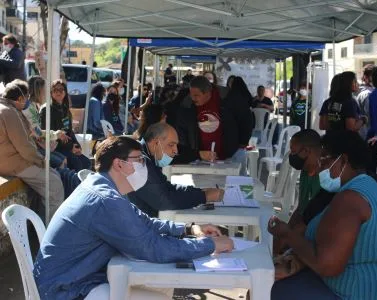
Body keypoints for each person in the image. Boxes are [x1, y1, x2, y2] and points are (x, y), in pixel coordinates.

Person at [33, 136, 234, 300]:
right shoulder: (105, 199)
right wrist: (210, 245)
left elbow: (143, 221)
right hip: (66, 291)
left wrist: (188, 229)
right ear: (119, 165)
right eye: (139, 160)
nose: (144, 165)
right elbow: (152, 248)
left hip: (71, 280)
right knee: (159, 295)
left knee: (157, 289)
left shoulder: (101, 187)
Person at [270, 130, 377, 300]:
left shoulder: (350, 199)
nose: (320, 167)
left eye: (324, 160)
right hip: (356, 286)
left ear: (343, 160)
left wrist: (288, 234)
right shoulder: (365, 186)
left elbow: (327, 265)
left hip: (352, 293)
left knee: (268, 288)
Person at [128, 123, 224, 216]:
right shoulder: (138, 160)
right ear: (156, 143)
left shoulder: (147, 157)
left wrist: (199, 192)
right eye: (171, 145)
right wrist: (204, 196)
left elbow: (167, 188)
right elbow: (164, 201)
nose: (176, 151)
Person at [0, 79, 64, 217]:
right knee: (55, 184)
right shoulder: (9, 112)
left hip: (10, 160)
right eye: (26, 98)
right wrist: (40, 161)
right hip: (13, 163)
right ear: (20, 98)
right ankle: (48, 229)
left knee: (54, 175)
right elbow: (24, 146)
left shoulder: (6, 109)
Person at [176, 76, 252, 174]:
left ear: (208, 93)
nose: (192, 98)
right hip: (200, 159)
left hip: (231, 155)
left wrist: (242, 142)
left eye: (196, 95)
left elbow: (246, 118)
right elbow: (181, 129)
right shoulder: (187, 104)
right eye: (191, 94)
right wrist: (191, 153)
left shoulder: (228, 97)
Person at [40, 80, 91, 172]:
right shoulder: (46, 110)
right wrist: (71, 148)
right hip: (54, 148)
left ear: (65, 92)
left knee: (87, 162)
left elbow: (69, 131)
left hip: (67, 146)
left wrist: (76, 145)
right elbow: (47, 135)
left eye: (61, 89)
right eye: (55, 90)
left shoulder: (65, 109)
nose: (58, 92)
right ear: (51, 93)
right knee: (78, 164)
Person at [23, 76, 68, 169]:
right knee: (61, 162)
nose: (48, 93)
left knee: (63, 159)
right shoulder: (29, 109)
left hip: (39, 146)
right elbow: (38, 133)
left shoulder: (34, 106)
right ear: (39, 91)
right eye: (45, 90)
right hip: (34, 149)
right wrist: (56, 134)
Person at [356, 64, 374, 140]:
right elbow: (369, 116)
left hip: (361, 132)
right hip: (366, 134)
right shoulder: (368, 94)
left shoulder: (360, 91)